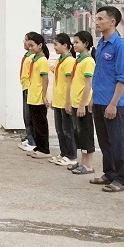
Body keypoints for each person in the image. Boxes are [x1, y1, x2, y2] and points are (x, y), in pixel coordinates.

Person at [90, 6, 124, 192]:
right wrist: (93, 97)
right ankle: (109, 173)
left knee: (117, 140)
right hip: (99, 100)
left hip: (112, 102)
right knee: (104, 140)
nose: (97, 22)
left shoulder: (121, 47)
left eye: (100, 19)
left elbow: (122, 78)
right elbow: (99, 73)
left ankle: (121, 180)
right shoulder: (100, 44)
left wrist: (113, 103)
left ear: (112, 22)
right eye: (96, 19)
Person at [67, 31, 96, 175]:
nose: (74, 45)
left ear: (86, 44)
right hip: (76, 102)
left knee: (86, 133)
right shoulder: (79, 60)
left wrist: (83, 104)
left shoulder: (88, 61)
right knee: (79, 133)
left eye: (77, 42)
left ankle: (88, 164)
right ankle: (83, 162)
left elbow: (88, 84)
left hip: (81, 104)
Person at [50, 34, 77, 166]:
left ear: (65, 45)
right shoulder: (59, 61)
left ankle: (71, 155)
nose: (54, 47)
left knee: (68, 130)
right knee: (60, 130)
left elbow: (69, 83)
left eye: (56, 44)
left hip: (65, 101)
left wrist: (68, 101)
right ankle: (63, 153)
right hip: (58, 100)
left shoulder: (70, 62)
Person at [24, 32, 52, 159]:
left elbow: (45, 79)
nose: (30, 48)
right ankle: (38, 146)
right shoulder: (34, 59)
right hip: (32, 96)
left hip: (39, 97)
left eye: (32, 46)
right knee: (34, 123)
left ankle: (44, 149)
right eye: (29, 46)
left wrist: (44, 95)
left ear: (40, 45)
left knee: (41, 124)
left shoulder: (42, 60)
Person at [18, 34, 36, 152]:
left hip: (30, 88)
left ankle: (32, 141)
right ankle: (29, 137)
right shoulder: (27, 56)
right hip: (25, 87)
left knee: (30, 116)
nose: (24, 43)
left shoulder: (33, 58)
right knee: (26, 115)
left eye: (26, 40)